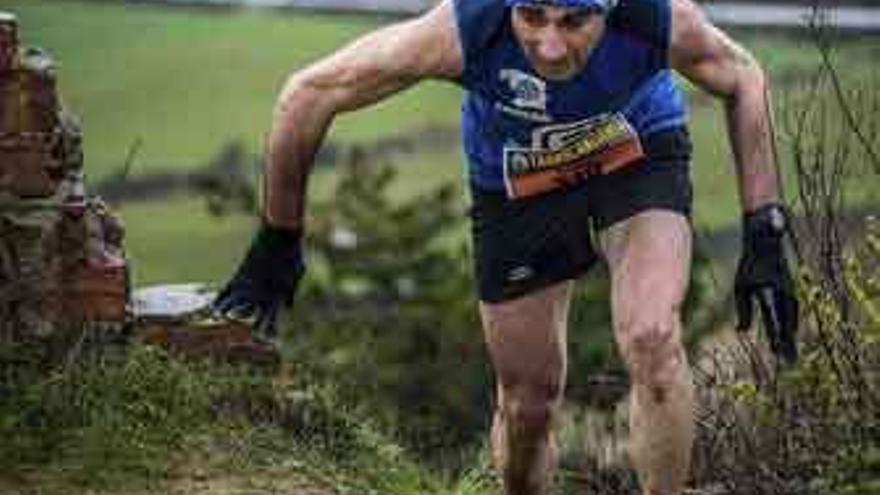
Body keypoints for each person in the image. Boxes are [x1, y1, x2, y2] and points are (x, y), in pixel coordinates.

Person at [213, 0, 799, 493]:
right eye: (533, 16)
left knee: (653, 338)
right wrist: (278, 238)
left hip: (633, 152)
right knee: (527, 403)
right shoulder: (468, 27)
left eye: (574, 22)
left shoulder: (655, 17)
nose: (547, 46)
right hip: (518, 181)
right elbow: (308, 93)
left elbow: (742, 75)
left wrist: (763, 228)